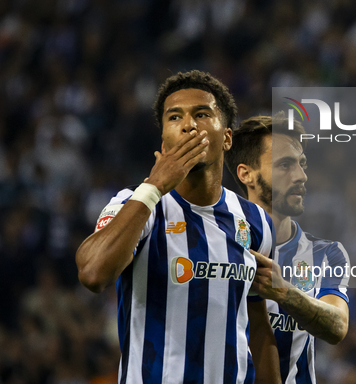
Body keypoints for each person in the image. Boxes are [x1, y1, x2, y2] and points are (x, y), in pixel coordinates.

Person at [75, 71, 280, 384]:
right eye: (175, 117)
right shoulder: (135, 205)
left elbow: (258, 327)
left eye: (201, 114)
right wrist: (155, 186)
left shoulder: (256, 222)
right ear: (164, 139)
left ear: (227, 137)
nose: (188, 125)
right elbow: (92, 273)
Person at [225, 114, 350, 384]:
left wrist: (285, 291)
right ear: (247, 174)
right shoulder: (222, 246)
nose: (301, 176)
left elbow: (338, 326)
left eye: (301, 164)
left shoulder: (327, 254)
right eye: (285, 165)